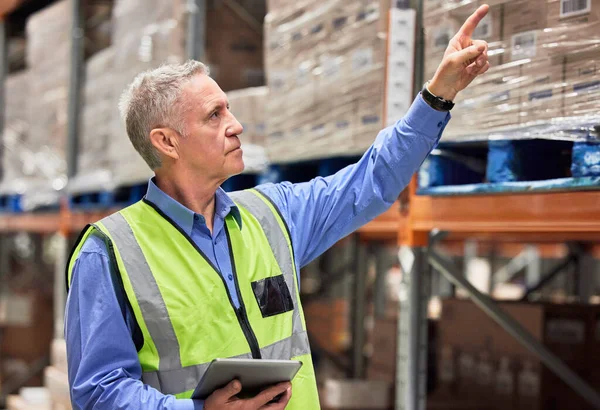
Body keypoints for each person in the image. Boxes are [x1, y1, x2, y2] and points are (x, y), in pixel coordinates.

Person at [65, 4, 491, 410]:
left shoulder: (273, 215)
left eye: (228, 109)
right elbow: (98, 392)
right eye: (214, 116)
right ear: (167, 142)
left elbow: (372, 180)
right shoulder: (109, 253)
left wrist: (437, 96)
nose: (236, 125)